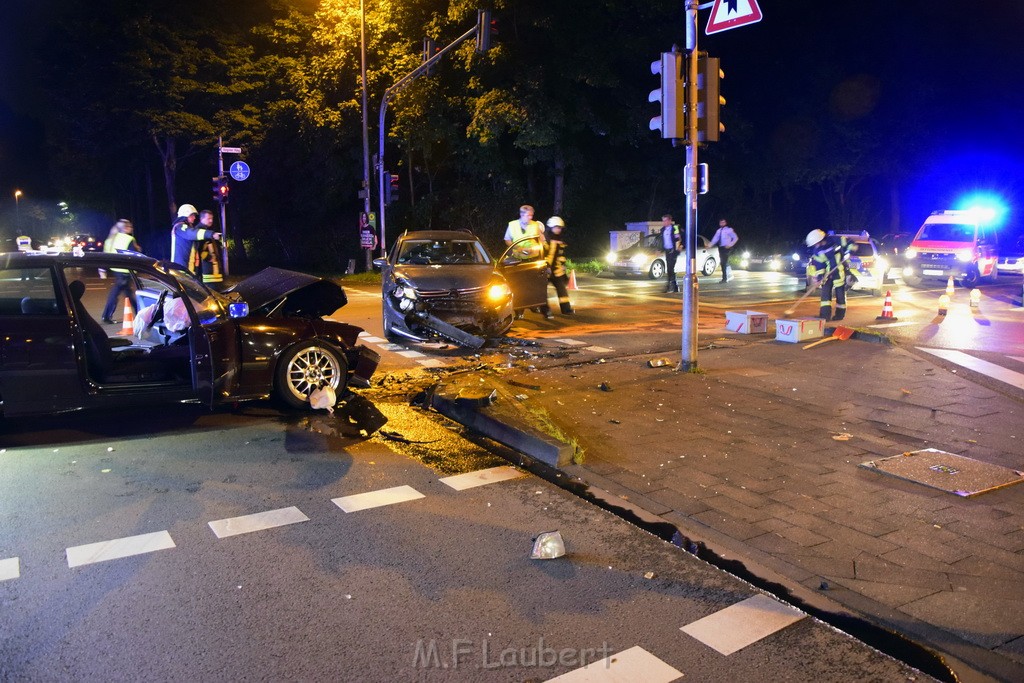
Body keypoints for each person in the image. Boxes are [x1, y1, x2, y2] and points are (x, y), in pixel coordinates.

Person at [806, 228, 854, 321]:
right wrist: (820, 276)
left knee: (840, 295)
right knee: (825, 295)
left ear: (820, 240)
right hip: (828, 274)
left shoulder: (836, 240)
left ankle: (839, 315)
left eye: (816, 243)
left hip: (839, 272)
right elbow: (819, 265)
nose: (815, 246)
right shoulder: (817, 251)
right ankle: (825, 316)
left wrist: (849, 252)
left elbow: (851, 243)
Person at [100, 219, 142, 324]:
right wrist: (138, 250)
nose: (131, 228)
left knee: (128, 293)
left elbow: (106, 255)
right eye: (130, 227)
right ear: (125, 228)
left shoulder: (111, 238)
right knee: (117, 293)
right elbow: (133, 255)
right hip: (126, 271)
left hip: (116, 269)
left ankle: (140, 314)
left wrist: (102, 268)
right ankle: (106, 316)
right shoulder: (129, 239)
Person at [170, 203, 220, 272]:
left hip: (187, 269)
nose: (194, 218)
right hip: (180, 270)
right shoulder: (180, 227)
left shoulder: (186, 227)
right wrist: (211, 234)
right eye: (192, 215)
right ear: (186, 215)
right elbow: (191, 233)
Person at [542, 216, 574, 318]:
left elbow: (561, 256)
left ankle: (566, 309)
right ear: (551, 227)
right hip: (544, 270)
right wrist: (546, 267)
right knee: (542, 292)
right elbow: (542, 255)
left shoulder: (560, 240)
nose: (558, 229)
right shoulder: (544, 239)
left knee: (562, 289)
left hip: (556, 270)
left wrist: (563, 268)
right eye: (557, 227)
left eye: (560, 228)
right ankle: (546, 311)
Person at [195, 209, 224, 288]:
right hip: (207, 271)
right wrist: (209, 257)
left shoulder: (207, 231)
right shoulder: (199, 232)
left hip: (213, 271)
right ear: (201, 219)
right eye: (208, 219)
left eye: (212, 218)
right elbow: (198, 250)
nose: (211, 221)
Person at [709, 218, 739, 283]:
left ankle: (725, 278)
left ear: (725, 223)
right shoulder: (719, 231)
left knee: (724, 262)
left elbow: (735, 238)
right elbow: (715, 239)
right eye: (721, 222)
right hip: (721, 247)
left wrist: (730, 245)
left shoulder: (729, 230)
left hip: (727, 248)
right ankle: (727, 276)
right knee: (723, 262)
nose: (722, 224)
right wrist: (709, 245)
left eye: (723, 222)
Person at [660, 214, 681, 293]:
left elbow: (678, 238)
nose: (664, 222)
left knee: (670, 268)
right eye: (663, 221)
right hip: (667, 251)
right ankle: (674, 286)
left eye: (665, 220)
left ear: (669, 221)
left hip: (673, 251)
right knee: (669, 268)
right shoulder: (663, 230)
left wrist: (679, 247)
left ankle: (670, 286)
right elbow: (663, 241)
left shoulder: (675, 228)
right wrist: (660, 249)